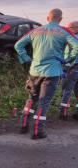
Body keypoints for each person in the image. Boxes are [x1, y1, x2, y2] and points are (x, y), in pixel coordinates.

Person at [15, 9, 78, 139]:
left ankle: (23, 125)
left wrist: (26, 59)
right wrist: (69, 60)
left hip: (34, 71)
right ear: (60, 19)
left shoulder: (35, 31)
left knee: (32, 98)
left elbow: (18, 45)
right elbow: (76, 46)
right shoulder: (63, 31)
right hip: (52, 72)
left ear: (47, 18)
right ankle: (38, 131)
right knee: (44, 102)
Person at [59, 21, 78, 120]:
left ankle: (63, 113)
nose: (67, 30)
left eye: (69, 28)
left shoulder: (72, 39)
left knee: (66, 90)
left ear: (75, 28)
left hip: (71, 67)